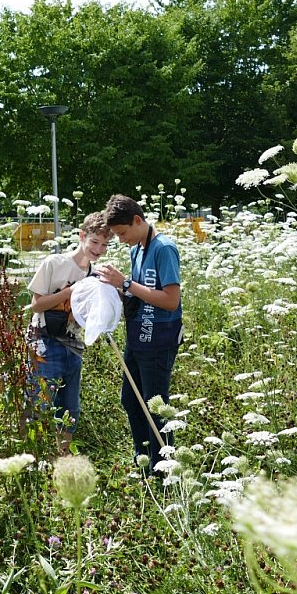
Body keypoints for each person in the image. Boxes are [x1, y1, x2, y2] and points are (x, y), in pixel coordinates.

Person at [96, 194, 183, 475]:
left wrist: (127, 283)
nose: (121, 240)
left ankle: (164, 470)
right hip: (137, 336)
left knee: (155, 405)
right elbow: (135, 293)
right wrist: (112, 289)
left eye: (122, 233)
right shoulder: (136, 248)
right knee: (130, 400)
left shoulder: (163, 248)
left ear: (137, 220)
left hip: (159, 338)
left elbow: (171, 300)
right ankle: (143, 460)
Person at [26, 211, 112, 455]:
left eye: (105, 244)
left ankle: (62, 459)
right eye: (95, 242)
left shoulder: (95, 274)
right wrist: (69, 293)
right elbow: (36, 305)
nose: (99, 248)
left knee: (70, 409)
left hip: (73, 345)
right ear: (82, 235)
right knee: (41, 404)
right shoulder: (55, 263)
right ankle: (37, 460)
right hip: (44, 342)